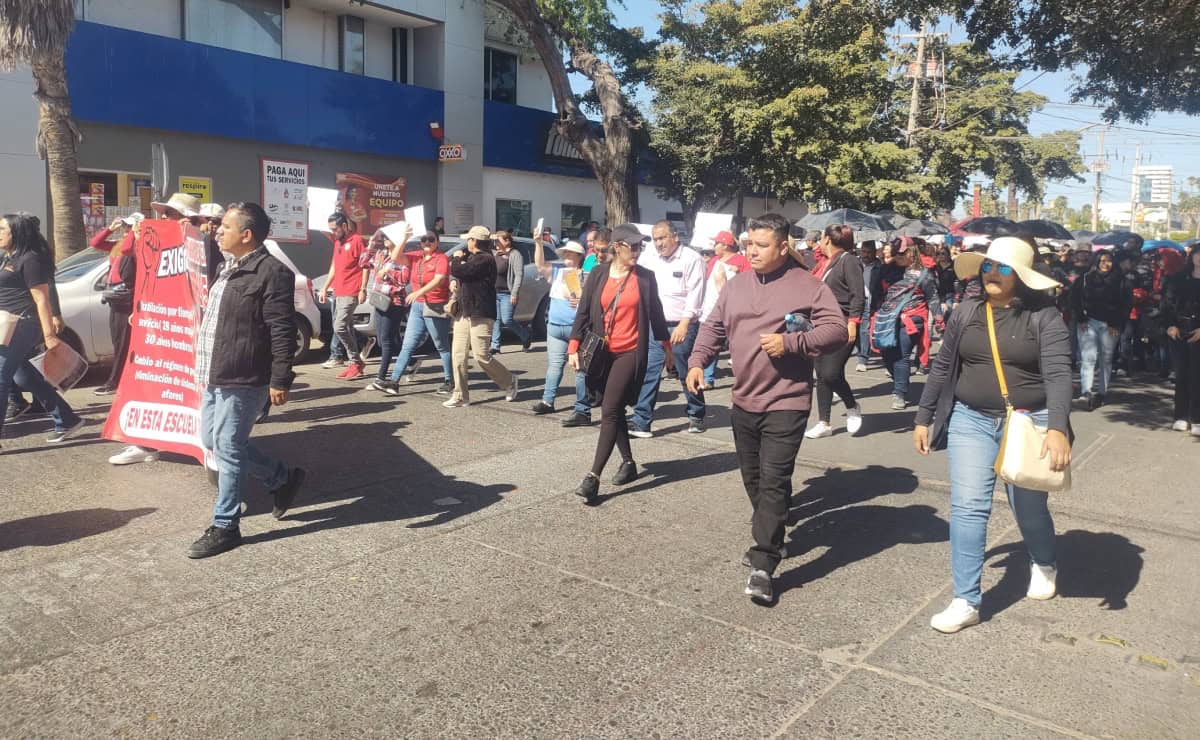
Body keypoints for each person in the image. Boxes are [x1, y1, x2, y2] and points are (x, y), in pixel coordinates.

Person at [686, 213, 848, 604]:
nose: (752, 251)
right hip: (743, 399)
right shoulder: (736, 286)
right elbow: (713, 326)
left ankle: (764, 562)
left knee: (774, 479)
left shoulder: (807, 286)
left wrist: (791, 344)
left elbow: (836, 330)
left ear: (782, 246)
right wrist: (696, 361)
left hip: (787, 400)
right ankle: (771, 527)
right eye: (748, 245)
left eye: (760, 245)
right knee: (754, 478)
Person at [913, 236, 1072, 633]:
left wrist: (1057, 428)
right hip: (971, 418)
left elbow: (1058, 375)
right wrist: (924, 415)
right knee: (968, 506)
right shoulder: (967, 312)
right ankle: (966, 599)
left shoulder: (1044, 317)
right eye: (988, 266)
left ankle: (1043, 560)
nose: (992, 273)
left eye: (1002, 268)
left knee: (1028, 507)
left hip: (1029, 421)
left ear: (1019, 275)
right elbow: (942, 365)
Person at [187, 203, 305, 558]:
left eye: (224, 226)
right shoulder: (228, 267)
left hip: (244, 374)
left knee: (227, 447)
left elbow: (281, 329)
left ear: (246, 234)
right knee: (213, 440)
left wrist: (281, 379)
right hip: (215, 371)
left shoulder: (271, 272)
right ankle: (281, 478)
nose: (217, 230)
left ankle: (226, 525)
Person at [567, 224, 670, 503]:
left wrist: (667, 347)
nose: (638, 251)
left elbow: (657, 314)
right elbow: (585, 312)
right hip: (601, 352)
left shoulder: (645, 278)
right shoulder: (599, 274)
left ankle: (593, 477)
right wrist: (574, 345)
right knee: (614, 408)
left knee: (610, 409)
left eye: (640, 247)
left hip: (629, 353)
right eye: (633, 246)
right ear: (617, 247)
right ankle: (628, 462)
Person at [0, 213, 84, 450]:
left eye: (2, 229)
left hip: (21, 325)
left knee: (1, 377)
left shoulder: (30, 259)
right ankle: (68, 419)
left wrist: (49, 335)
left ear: (16, 233)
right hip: (7, 324)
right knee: (23, 377)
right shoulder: (8, 257)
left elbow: (41, 300)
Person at [630, 220, 707, 436]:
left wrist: (685, 322)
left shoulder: (692, 259)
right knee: (650, 370)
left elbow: (696, 293)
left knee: (685, 371)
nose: (658, 243)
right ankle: (642, 420)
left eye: (662, 238)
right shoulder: (648, 258)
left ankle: (696, 414)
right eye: (655, 239)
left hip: (682, 324)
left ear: (675, 237)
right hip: (654, 324)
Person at [444, 226, 518, 408]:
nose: (467, 242)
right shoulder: (470, 258)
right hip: (463, 311)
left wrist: (455, 260)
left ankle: (509, 381)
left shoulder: (485, 259)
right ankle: (460, 395)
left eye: (469, 239)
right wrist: (454, 281)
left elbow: (462, 271)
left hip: (481, 312)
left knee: (481, 355)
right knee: (458, 354)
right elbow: (460, 275)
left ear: (474, 241)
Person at [805, 224, 865, 438]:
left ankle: (852, 406)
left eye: (821, 237)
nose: (819, 240)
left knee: (831, 373)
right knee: (821, 373)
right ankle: (824, 422)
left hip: (842, 323)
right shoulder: (824, 262)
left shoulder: (849, 261)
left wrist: (853, 322)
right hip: (820, 323)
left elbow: (858, 295)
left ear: (828, 239)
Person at [379, 231, 454, 396]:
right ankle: (394, 381)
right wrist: (405, 237)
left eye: (431, 240)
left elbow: (439, 280)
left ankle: (449, 380)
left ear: (437, 242)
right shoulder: (416, 257)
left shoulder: (441, 258)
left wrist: (418, 292)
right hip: (418, 307)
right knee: (408, 345)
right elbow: (395, 257)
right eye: (423, 239)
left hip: (435, 306)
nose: (427, 242)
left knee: (441, 345)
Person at [874, 236, 940, 409]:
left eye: (903, 252)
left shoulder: (924, 273)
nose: (900, 256)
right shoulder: (886, 270)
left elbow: (932, 297)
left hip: (912, 318)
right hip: (888, 319)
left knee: (901, 355)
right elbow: (877, 293)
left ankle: (899, 393)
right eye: (897, 253)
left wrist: (939, 320)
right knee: (887, 355)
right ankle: (900, 381)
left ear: (912, 251)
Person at [531, 239, 587, 415]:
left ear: (580, 256)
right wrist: (538, 244)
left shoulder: (586, 275)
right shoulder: (558, 272)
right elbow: (539, 264)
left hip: (575, 328)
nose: (567, 256)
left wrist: (581, 295)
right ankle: (547, 401)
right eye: (566, 253)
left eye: (571, 253)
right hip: (555, 327)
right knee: (554, 365)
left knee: (579, 368)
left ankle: (581, 406)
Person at [89, 213, 141, 395]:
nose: (126, 228)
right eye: (125, 225)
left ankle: (114, 381)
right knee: (118, 341)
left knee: (122, 344)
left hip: (126, 299)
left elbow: (128, 250)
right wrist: (111, 229)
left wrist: (134, 233)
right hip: (115, 298)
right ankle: (121, 379)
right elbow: (95, 244)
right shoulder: (119, 244)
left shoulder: (135, 244)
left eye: (129, 225)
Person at [1071, 250, 1130, 410]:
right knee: (1088, 358)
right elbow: (1075, 299)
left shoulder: (1120, 280)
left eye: (1109, 260)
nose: (1105, 264)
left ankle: (1102, 391)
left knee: (1106, 358)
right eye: (1102, 260)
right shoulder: (1085, 279)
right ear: (1096, 262)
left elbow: (1126, 304)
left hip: (1110, 325)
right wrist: (1081, 319)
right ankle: (1086, 392)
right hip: (1088, 322)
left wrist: (1116, 323)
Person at [699, 230, 752, 389]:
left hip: (734, 309)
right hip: (711, 309)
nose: (714, 246)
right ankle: (708, 377)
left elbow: (748, 283)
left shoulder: (741, 261)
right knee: (710, 342)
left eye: (717, 243)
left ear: (725, 245)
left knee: (737, 344)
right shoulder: (713, 261)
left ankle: (744, 376)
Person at [319, 212, 369, 379]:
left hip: (351, 290)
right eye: (331, 229)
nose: (333, 232)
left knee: (339, 327)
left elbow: (365, 266)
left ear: (344, 226)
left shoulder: (357, 241)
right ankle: (358, 356)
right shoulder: (338, 243)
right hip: (338, 290)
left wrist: (363, 288)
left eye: (335, 229)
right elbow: (334, 266)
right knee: (345, 327)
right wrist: (326, 287)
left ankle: (355, 361)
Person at [362, 230, 411, 391]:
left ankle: (381, 377)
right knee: (384, 339)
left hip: (394, 302)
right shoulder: (381, 254)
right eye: (384, 237)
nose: (384, 240)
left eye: (388, 237)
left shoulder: (403, 257)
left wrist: (388, 271)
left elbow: (404, 279)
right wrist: (370, 244)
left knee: (386, 338)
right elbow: (363, 263)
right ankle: (410, 362)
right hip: (379, 300)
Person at [1162, 247, 1200, 435]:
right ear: (1191, 256)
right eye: (1197, 254)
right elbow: (1167, 304)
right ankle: (1181, 416)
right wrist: (1170, 325)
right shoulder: (1177, 279)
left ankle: (1197, 418)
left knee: (1197, 376)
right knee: (1182, 375)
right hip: (1179, 330)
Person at [490, 229, 532, 353]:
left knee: (507, 319)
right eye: (495, 240)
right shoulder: (495, 253)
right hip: (494, 292)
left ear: (507, 241)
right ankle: (495, 345)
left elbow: (519, 275)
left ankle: (525, 335)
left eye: (499, 240)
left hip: (507, 293)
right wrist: (490, 237)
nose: (496, 242)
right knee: (495, 320)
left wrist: (514, 292)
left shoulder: (515, 254)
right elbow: (484, 245)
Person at [856, 241, 880, 372]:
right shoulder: (855, 264)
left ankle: (863, 358)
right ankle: (860, 350)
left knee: (864, 329)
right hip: (855, 300)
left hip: (869, 300)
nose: (866, 255)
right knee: (856, 329)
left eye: (869, 252)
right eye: (864, 251)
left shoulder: (879, 266)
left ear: (875, 252)